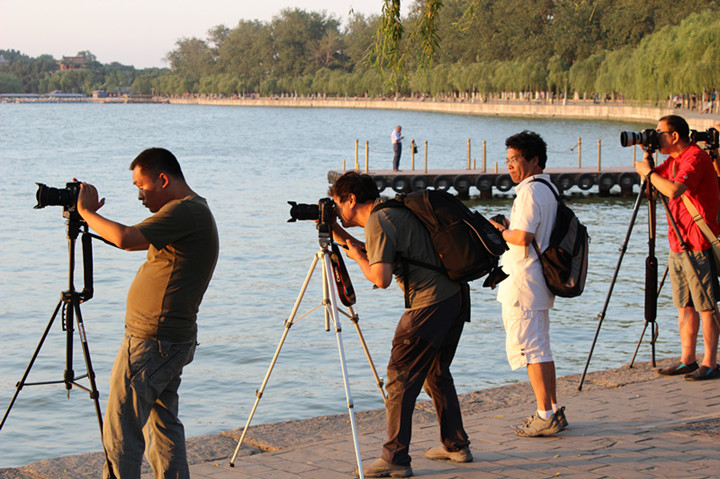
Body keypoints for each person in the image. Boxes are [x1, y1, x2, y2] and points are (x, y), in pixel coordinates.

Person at [77, 148, 220, 478]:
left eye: (141, 186)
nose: (139, 195)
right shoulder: (192, 211)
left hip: (152, 341)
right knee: (163, 427)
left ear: (163, 179)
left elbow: (126, 239)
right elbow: (130, 239)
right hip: (169, 340)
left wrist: (85, 211)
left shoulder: (185, 211)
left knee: (121, 431)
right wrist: (91, 217)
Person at [329, 171, 471, 478]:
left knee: (399, 378)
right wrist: (342, 238)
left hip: (428, 303)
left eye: (338, 203)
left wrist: (353, 255)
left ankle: (395, 457)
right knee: (436, 371)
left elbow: (380, 278)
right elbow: (382, 253)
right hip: (454, 297)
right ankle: (455, 445)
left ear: (351, 199)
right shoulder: (390, 212)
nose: (337, 210)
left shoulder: (379, 222)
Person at [488, 130, 567, 437]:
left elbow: (523, 237)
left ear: (534, 160)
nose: (510, 165)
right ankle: (552, 409)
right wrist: (511, 228)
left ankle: (544, 413)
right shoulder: (547, 189)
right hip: (538, 282)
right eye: (507, 159)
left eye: (515, 159)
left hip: (524, 282)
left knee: (530, 351)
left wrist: (497, 229)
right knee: (541, 348)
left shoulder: (529, 192)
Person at [634, 115, 720, 380]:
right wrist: (647, 167)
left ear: (674, 136)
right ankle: (688, 359)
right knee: (684, 305)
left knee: (706, 306)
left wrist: (648, 171)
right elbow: (653, 188)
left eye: (659, 133)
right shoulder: (671, 162)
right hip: (678, 242)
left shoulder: (695, 157)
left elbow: (673, 191)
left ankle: (710, 362)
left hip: (698, 242)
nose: (656, 137)